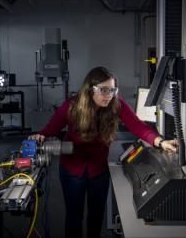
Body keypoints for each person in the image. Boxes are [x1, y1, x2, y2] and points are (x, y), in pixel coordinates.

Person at [29, 67, 177, 238]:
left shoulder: (116, 104)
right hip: (72, 170)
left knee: (96, 217)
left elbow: (138, 126)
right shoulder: (71, 106)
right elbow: (50, 130)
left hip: (98, 171)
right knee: (74, 217)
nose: (109, 95)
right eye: (104, 90)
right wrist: (39, 136)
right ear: (90, 90)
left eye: (113, 90)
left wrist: (160, 141)